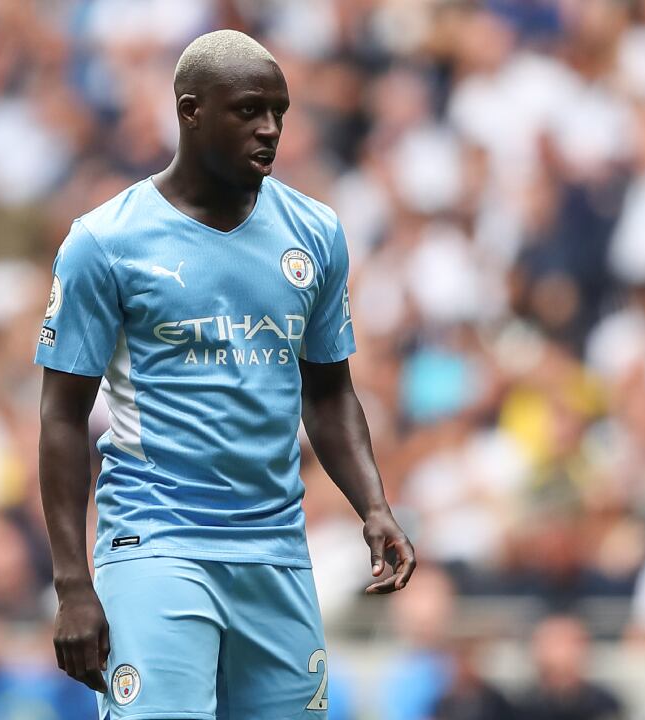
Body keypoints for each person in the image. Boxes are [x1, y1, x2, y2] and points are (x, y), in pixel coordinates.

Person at [35, 29, 416, 719]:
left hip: (276, 551)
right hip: (155, 541)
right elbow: (61, 416)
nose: (270, 129)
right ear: (191, 111)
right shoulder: (106, 242)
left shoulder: (315, 233)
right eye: (248, 110)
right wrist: (72, 584)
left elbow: (329, 394)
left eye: (279, 111)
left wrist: (374, 505)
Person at [514, 615, 623, 720]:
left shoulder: (603, 704)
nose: (561, 652)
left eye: (565, 642)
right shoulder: (521, 705)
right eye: (552, 642)